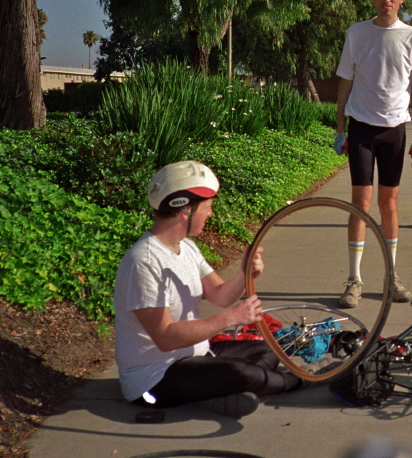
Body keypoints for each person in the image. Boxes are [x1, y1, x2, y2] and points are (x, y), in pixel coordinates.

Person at [113, 160, 301, 419]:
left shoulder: (186, 247)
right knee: (241, 373)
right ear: (185, 211)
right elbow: (165, 337)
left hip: (196, 356)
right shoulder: (144, 261)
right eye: (208, 207)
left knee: (267, 349)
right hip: (154, 381)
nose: (211, 214)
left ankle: (217, 394)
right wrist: (230, 319)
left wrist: (245, 272)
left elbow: (220, 294)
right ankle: (302, 382)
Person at [334, 0, 412, 309]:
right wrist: (340, 128)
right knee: (360, 203)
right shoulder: (357, 34)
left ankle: (391, 277)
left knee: (388, 204)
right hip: (361, 127)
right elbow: (345, 82)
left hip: (395, 129)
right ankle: (354, 279)